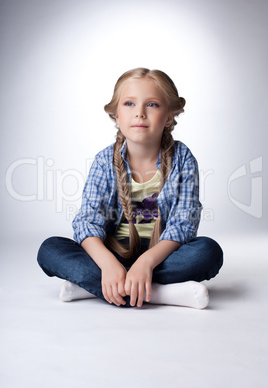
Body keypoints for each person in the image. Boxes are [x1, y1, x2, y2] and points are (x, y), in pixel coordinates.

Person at [37, 68, 223, 309]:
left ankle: (101, 287)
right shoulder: (105, 161)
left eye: (152, 105)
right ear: (116, 115)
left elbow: (183, 224)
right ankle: (160, 293)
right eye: (129, 104)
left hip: (160, 258)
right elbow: (87, 221)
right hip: (112, 255)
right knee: (49, 249)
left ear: (169, 117)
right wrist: (107, 265)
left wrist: (146, 263)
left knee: (208, 252)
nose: (140, 113)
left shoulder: (182, 158)